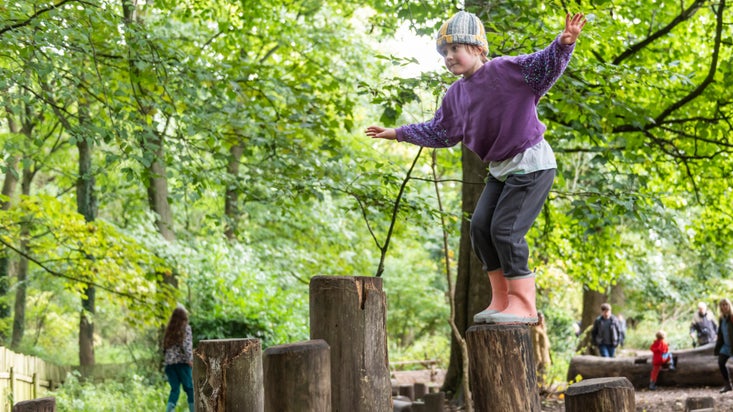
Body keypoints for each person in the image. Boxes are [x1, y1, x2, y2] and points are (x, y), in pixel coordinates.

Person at [366, 11, 587, 324]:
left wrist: (563, 44)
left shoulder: (504, 69)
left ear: (478, 49)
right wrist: (397, 133)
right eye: (444, 52)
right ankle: (501, 298)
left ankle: (524, 304)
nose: (449, 57)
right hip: (500, 168)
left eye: (455, 49)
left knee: (505, 230)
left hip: (531, 163)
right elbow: (439, 131)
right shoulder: (456, 95)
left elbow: (543, 66)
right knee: (481, 227)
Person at [163, 306, 194, 412]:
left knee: (175, 390)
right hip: (182, 364)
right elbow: (187, 346)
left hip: (170, 365)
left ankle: (169, 411)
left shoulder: (169, 329)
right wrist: (190, 360)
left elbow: (165, 348)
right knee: (190, 389)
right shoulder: (186, 328)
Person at [714, 298, 733, 393]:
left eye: (726, 305)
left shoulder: (732, 317)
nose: (724, 307)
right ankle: (727, 385)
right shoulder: (722, 319)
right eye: (722, 305)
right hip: (726, 346)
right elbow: (720, 333)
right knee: (721, 362)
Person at [531, 312, 552, 391]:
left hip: (546, 356)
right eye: (540, 317)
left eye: (542, 317)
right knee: (540, 376)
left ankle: (543, 389)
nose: (541, 319)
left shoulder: (542, 328)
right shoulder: (535, 329)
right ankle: (540, 390)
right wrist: (538, 358)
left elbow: (547, 345)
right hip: (541, 358)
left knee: (545, 375)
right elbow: (535, 344)